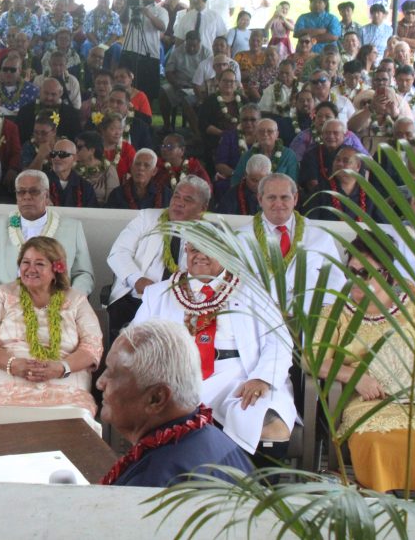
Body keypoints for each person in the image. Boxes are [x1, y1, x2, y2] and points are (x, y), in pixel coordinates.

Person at [135, 237, 297, 454]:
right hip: (177, 378)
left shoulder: (252, 290)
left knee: (271, 429)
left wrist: (262, 377)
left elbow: (279, 341)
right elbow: (135, 341)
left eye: (209, 249)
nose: (200, 255)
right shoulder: (158, 293)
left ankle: (255, 486)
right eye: (194, 249)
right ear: (186, 252)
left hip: (239, 375)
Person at [316, 235, 415, 492]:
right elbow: (313, 359)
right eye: (351, 271)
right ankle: (381, 502)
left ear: (388, 274)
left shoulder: (414, 302)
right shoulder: (336, 310)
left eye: (365, 273)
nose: (356, 279)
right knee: (376, 441)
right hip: (369, 402)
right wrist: (356, 378)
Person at [97, 319, 254, 486]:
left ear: (156, 398)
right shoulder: (213, 438)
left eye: (113, 373)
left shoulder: (154, 482)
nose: (100, 382)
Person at [0, 236, 103, 426]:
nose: (30, 269)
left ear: (56, 269)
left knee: (75, 421)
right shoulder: (3, 293)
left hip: (65, 380)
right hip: (9, 377)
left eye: (39, 264)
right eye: (26, 262)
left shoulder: (76, 300)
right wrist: (13, 364)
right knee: (1, 416)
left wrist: (61, 368)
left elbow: (92, 347)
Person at [106, 176, 211, 337]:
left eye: (188, 200)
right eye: (176, 196)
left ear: (202, 208)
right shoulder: (146, 218)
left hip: (182, 304)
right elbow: (118, 252)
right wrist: (138, 280)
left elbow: (209, 274)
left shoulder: (208, 235)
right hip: (135, 298)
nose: (179, 202)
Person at [0, 170, 95, 302]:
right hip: (8, 302)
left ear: (46, 195)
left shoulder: (72, 228)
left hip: (57, 303)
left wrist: (74, 297)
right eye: (21, 192)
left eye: (34, 191)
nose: (27, 196)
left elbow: (83, 273)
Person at [237, 173, 344, 306]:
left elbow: (336, 283)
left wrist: (320, 317)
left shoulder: (320, 235)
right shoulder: (240, 239)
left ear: (295, 198)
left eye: (284, 197)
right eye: (271, 197)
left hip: (308, 320)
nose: (278, 203)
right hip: (259, 321)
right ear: (260, 199)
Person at [106, 148, 172, 210]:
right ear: (131, 168)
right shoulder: (117, 194)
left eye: (146, 165)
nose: (141, 168)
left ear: (154, 171)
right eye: (137, 164)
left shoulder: (165, 195)